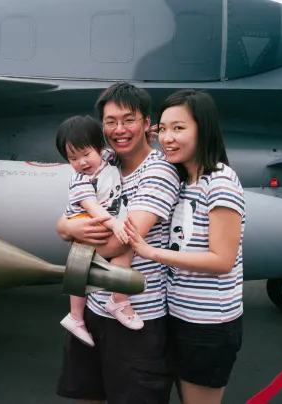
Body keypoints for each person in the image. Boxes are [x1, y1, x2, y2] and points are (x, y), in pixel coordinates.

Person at [55, 82, 180, 404]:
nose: (119, 129)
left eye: (129, 120)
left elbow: (119, 243)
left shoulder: (160, 171)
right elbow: (67, 217)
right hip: (94, 308)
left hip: (139, 315)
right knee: (87, 395)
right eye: (111, 122)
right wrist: (66, 227)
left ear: (147, 122)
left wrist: (72, 235)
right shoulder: (102, 160)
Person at [123, 89, 245, 404]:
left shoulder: (220, 181)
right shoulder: (185, 182)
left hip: (207, 325)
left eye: (179, 128)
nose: (167, 138)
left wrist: (150, 252)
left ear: (203, 129)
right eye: (162, 129)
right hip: (178, 315)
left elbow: (222, 260)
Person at [56, 115, 143, 347]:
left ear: (100, 147)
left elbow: (128, 148)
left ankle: (116, 299)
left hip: (104, 220)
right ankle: (76, 316)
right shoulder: (80, 181)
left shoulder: (108, 159)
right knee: (81, 267)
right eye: (72, 158)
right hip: (88, 221)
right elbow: (92, 208)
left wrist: (146, 135)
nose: (81, 162)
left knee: (122, 254)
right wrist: (115, 224)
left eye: (85, 154)